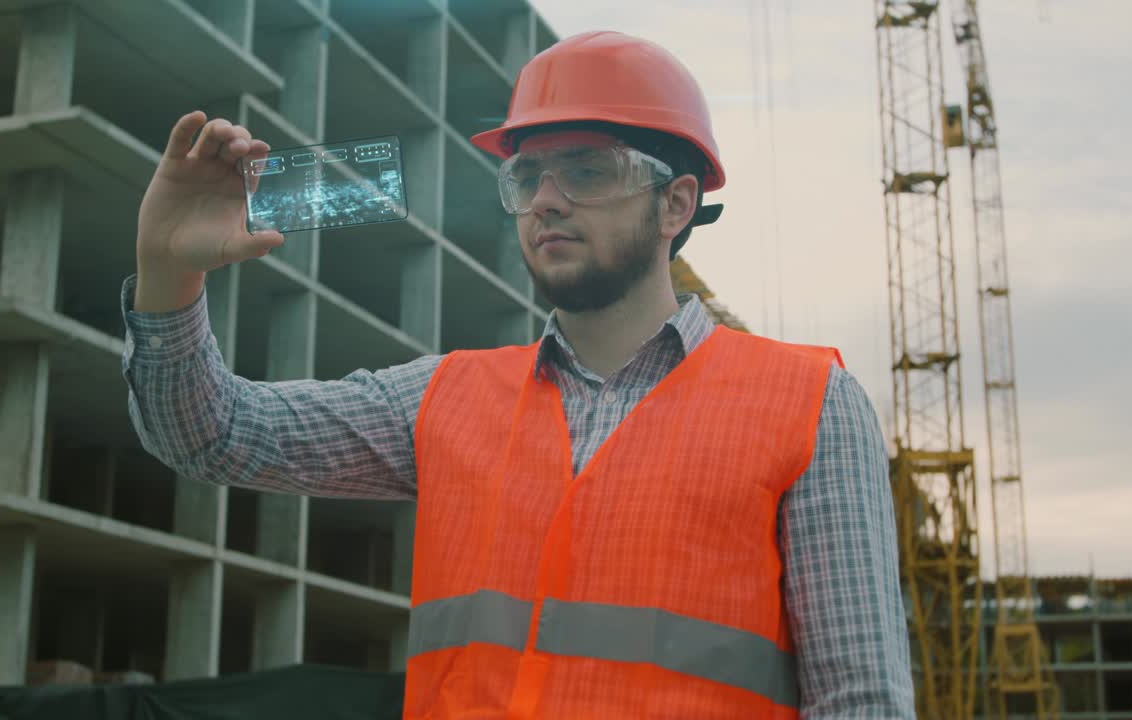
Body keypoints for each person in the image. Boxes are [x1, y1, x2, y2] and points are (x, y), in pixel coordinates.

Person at [122, 30, 913, 719]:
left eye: (587, 172)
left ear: (675, 205)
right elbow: (209, 435)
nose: (546, 201)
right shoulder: (443, 399)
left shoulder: (811, 406)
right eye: (528, 177)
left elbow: (861, 703)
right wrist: (167, 271)